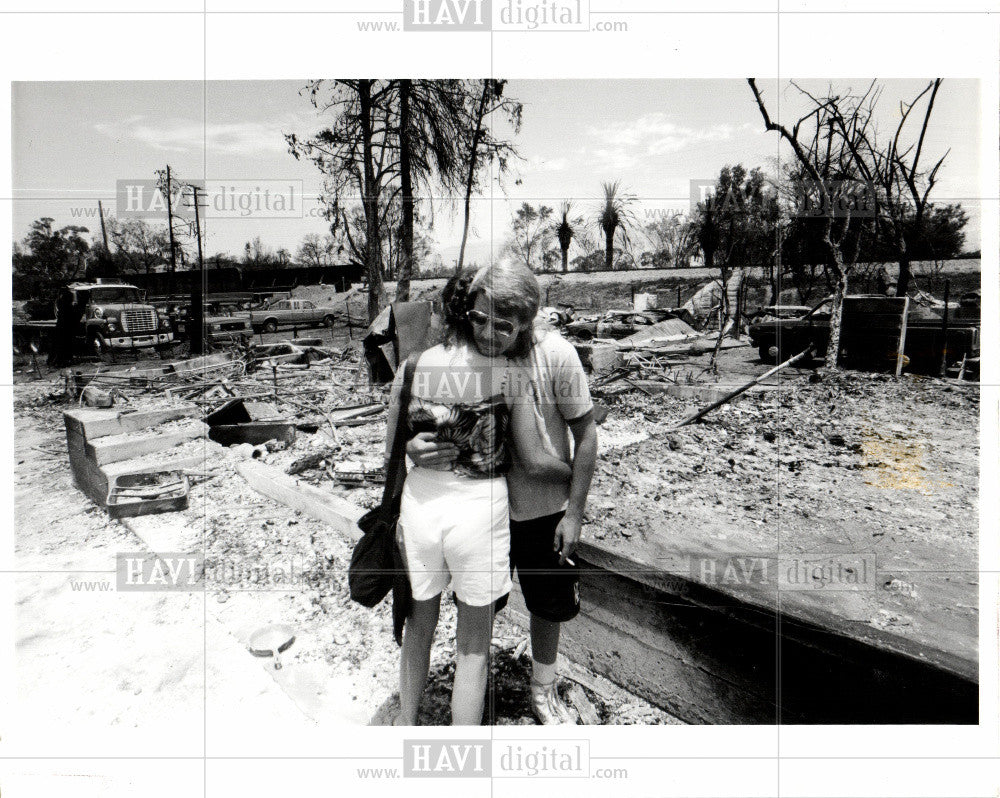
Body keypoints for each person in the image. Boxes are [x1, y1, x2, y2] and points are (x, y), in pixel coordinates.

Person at [407, 262, 598, 725]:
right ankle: (474, 690)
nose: (490, 333)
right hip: (483, 510)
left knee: (546, 603)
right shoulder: (468, 349)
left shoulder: (557, 355)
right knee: (478, 606)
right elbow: (422, 417)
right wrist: (414, 446)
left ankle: (542, 688)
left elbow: (586, 432)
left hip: (540, 507)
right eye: (482, 319)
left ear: (527, 322)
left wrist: (575, 507)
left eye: (504, 326)